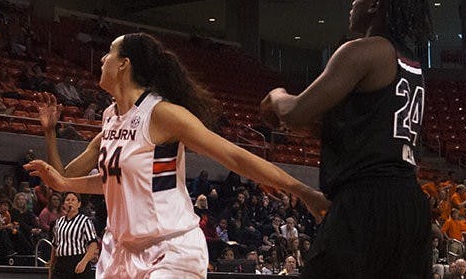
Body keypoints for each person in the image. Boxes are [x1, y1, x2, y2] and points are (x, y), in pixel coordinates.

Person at [27, 32, 328, 278]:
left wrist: (299, 189)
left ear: (124, 64)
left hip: (169, 249)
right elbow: (74, 178)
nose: (103, 59)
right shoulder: (110, 118)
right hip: (119, 251)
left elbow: (232, 155)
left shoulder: (162, 114)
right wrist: (50, 133)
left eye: (108, 53)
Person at [261, 0, 433, 279]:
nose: (352, 4)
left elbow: (295, 111)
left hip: (368, 202)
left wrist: (276, 96)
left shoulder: (364, 50)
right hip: (410, 204)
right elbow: (365, 127)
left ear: (374, 4)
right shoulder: (412, 64)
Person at [49, 192, 98, 279]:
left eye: (73, 200)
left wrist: (84, 262)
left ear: (79, 204)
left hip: (77, 260)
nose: (70, 202)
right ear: (64, 204)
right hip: (61, 262)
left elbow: (93, 244)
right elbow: (55, 245)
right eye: (67, 200)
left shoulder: (85, 221)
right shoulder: (58, 222)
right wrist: (51, 267)